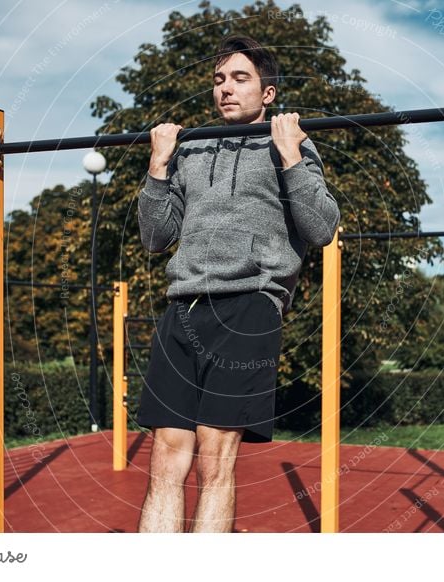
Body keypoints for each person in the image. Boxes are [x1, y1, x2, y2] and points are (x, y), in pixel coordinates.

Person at [135, 34, 340, 533]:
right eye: (219, 79)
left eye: (240, 78)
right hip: (182, 306)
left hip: (248, 306)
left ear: (267, 93)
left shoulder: (290, 144)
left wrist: (291, 155)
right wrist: (157, 168)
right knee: (165, 462)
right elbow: (156, 237)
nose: (226, 88)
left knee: (215, 459)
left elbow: (321, 227)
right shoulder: (193, 147)